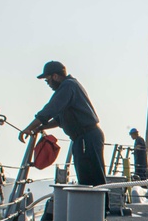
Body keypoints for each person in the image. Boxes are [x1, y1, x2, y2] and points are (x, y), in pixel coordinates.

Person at [20, 61, 108, 211]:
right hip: (83, 138)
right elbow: (59, 119)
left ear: (55, 76)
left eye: (48, 80)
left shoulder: (67, 87)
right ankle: (93, 215)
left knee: (92, 178)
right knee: (86, 177)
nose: (47, 83)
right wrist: (41, 127)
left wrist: (28, 128)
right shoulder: (70, 87)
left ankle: (98, 216)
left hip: (87, 136)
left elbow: (50, 110)